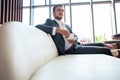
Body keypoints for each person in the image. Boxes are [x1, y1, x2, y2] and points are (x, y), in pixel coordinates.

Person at [35, 4, 113, 56]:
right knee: (106, 51)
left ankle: (103, 44)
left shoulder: (67, 26)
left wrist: (72, 38)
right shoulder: (50, 22)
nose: (61, 12)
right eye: (58, 10)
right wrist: (59, 31)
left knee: (103, 45)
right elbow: (38, 26)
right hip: (72, 50)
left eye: (62, 10)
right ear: (53, 13)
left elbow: (75, 37)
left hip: (76, 45)